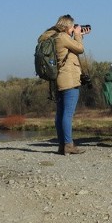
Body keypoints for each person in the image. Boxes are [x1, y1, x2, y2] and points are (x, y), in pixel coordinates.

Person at [38, 14, 90, 155]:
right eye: (72, 27)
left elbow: (71, 49)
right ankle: (68, 145)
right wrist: (78, 35)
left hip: (59, 81)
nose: (74, 29)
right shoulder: (62, 37)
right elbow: (80, 49)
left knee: (61, 114)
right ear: (67, 26)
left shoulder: (54, 37)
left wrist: (78, 35)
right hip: (69, 81)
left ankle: (62, 145)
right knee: (67, 115)